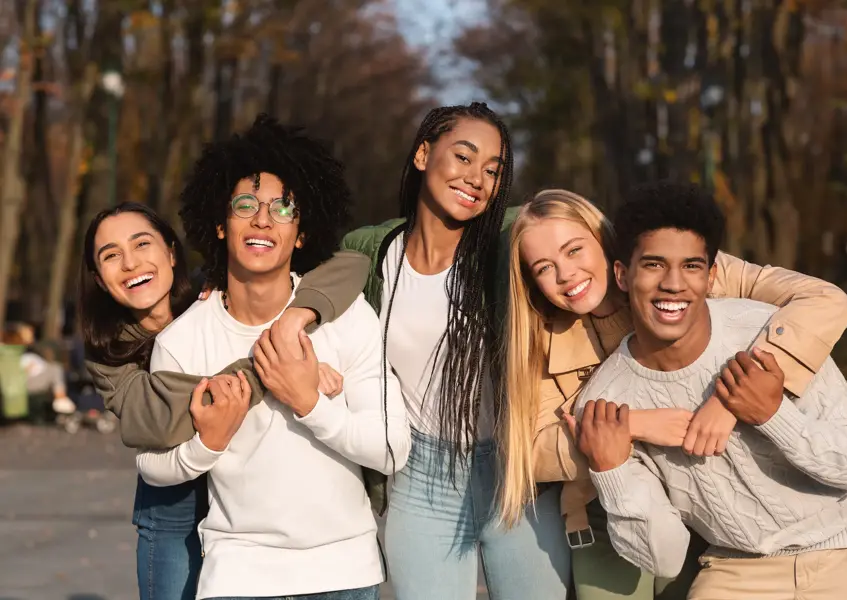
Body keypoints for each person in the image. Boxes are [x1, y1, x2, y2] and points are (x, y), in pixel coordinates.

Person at [500, 189, 847, 600]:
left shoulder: (688, 272)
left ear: (605, 243)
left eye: (574, 250)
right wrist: (633, 425)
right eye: (545, 267)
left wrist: (732, 398)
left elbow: (825, 301)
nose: (566, 274)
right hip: (609, 503)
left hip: (704, 500)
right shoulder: (538, 338)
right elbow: (529, 450)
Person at [572, 181, 847, 600]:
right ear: (623, 275)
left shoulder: (765, 331)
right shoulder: (607, 401)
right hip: (739, 566)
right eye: (654, 265)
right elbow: (664, 559)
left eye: (692, 266)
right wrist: (614, 472)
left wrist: (774, 416)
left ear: (711, 275)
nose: (674, 284)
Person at [134, 115, 410, 600]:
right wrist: (209, 443)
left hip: (343, 573)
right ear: (220, 225)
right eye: (247, 204)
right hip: (238, 574)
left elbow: (391, 447)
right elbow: (153, 464)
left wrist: (310, 403)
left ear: (302, 234)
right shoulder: (181, 340)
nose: (264, 219)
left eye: (284, 208)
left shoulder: (346, 316)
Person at [80, 196, 369, 600]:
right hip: (173, 501)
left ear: (171, 251)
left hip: (247, 496)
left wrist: (293, 322)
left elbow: (350, 264)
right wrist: (281, 368)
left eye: (142, 244)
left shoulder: (220, 291)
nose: (130, 263)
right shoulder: (106, 349)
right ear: (97, 277)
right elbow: (157, 419)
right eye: (111, 255)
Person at [341, 102, 571, 599]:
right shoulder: (372, 251)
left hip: (518, 472)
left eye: (493, 170)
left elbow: (578, 238)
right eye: (464, 157)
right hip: (422, 476)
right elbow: (307, 278)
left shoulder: (507, 244)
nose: (477, 179)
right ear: (423, 154)